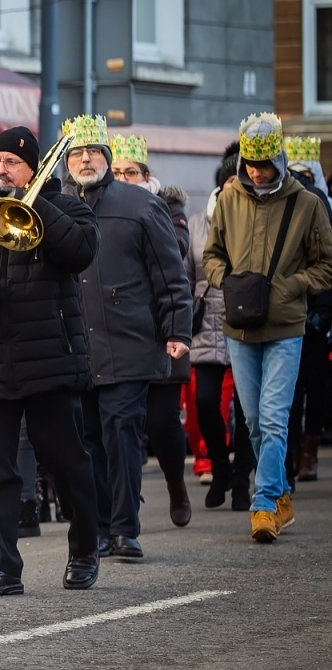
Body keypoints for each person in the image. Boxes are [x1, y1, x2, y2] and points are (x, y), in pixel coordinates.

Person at [0, 126, 102, 596]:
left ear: (34, 170)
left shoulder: (67, 207)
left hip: (48, 359)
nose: (0, 170)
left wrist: (33, 202)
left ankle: (84, 547)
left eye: (11, 163)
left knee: (65, 461)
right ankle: (1, 566)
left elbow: (81, 252)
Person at [64, 115, 190, 561]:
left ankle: (124, 529)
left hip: (130, 340)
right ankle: (97, 527)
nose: (85, 159)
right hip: (77, 346)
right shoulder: (55, 204)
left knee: (122, 433)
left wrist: (176, 328)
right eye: (77, 152)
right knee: (88, 438)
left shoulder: (140, 205)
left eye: (93, 151)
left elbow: (169, 272)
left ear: (107, 158)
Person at [202, 113, 332, 542]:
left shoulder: (309, 203)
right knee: (254, 421)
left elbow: (326, 267)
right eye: (251, 164)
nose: (258, 172)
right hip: (240, 327)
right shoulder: (228, 199)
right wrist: (228, 280)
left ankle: (264, 504)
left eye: (265, 164)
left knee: (275, 419)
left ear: (279, 158)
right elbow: (212, 255)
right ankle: (282, 495)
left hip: (286, 326)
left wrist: (292, 286)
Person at [110, 133, 195, 526]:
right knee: (121, 423)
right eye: (117, 172)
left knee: (161, 422)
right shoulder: (101, 205)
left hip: (158, 328)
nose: (123, 178)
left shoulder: (165, 205)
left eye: (131, 172)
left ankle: (176, 484)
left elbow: (177, 248)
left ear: (146, 174)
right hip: (120, 332)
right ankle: (124, 504)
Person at [190, 149, 256, 511]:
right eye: (231, 181)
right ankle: (219, 469)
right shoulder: (199, 222)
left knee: (247, 407)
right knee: (205, 402)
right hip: (206, 326)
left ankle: (241, 480)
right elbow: (186, 272)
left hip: (247, 321)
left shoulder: (255, 219)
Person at [284, 136, 332, 484]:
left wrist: (324, 311)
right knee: (292, 387)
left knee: (312, 384)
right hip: (289, 309)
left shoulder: (317, 203)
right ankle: (291, 454)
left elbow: (325, 262)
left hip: (314, 310)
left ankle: (308, 450)